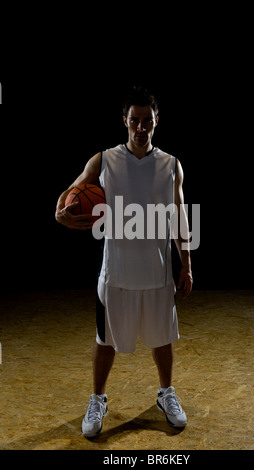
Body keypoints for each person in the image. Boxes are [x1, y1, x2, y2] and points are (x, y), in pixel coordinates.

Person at [55, 86, 193, 437]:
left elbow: (179, 216)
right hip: (115, 274)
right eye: (135, 120)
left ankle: (166, 394)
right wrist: (61, 214)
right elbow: (72, 191)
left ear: (156, 122)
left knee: (163, 338)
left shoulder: (171, 165)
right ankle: (98, 398)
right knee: (105, 341)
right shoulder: (104, 159)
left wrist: (186, 264)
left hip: (158, 272)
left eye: (148, 120)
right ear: (125, 121)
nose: (141, 127)